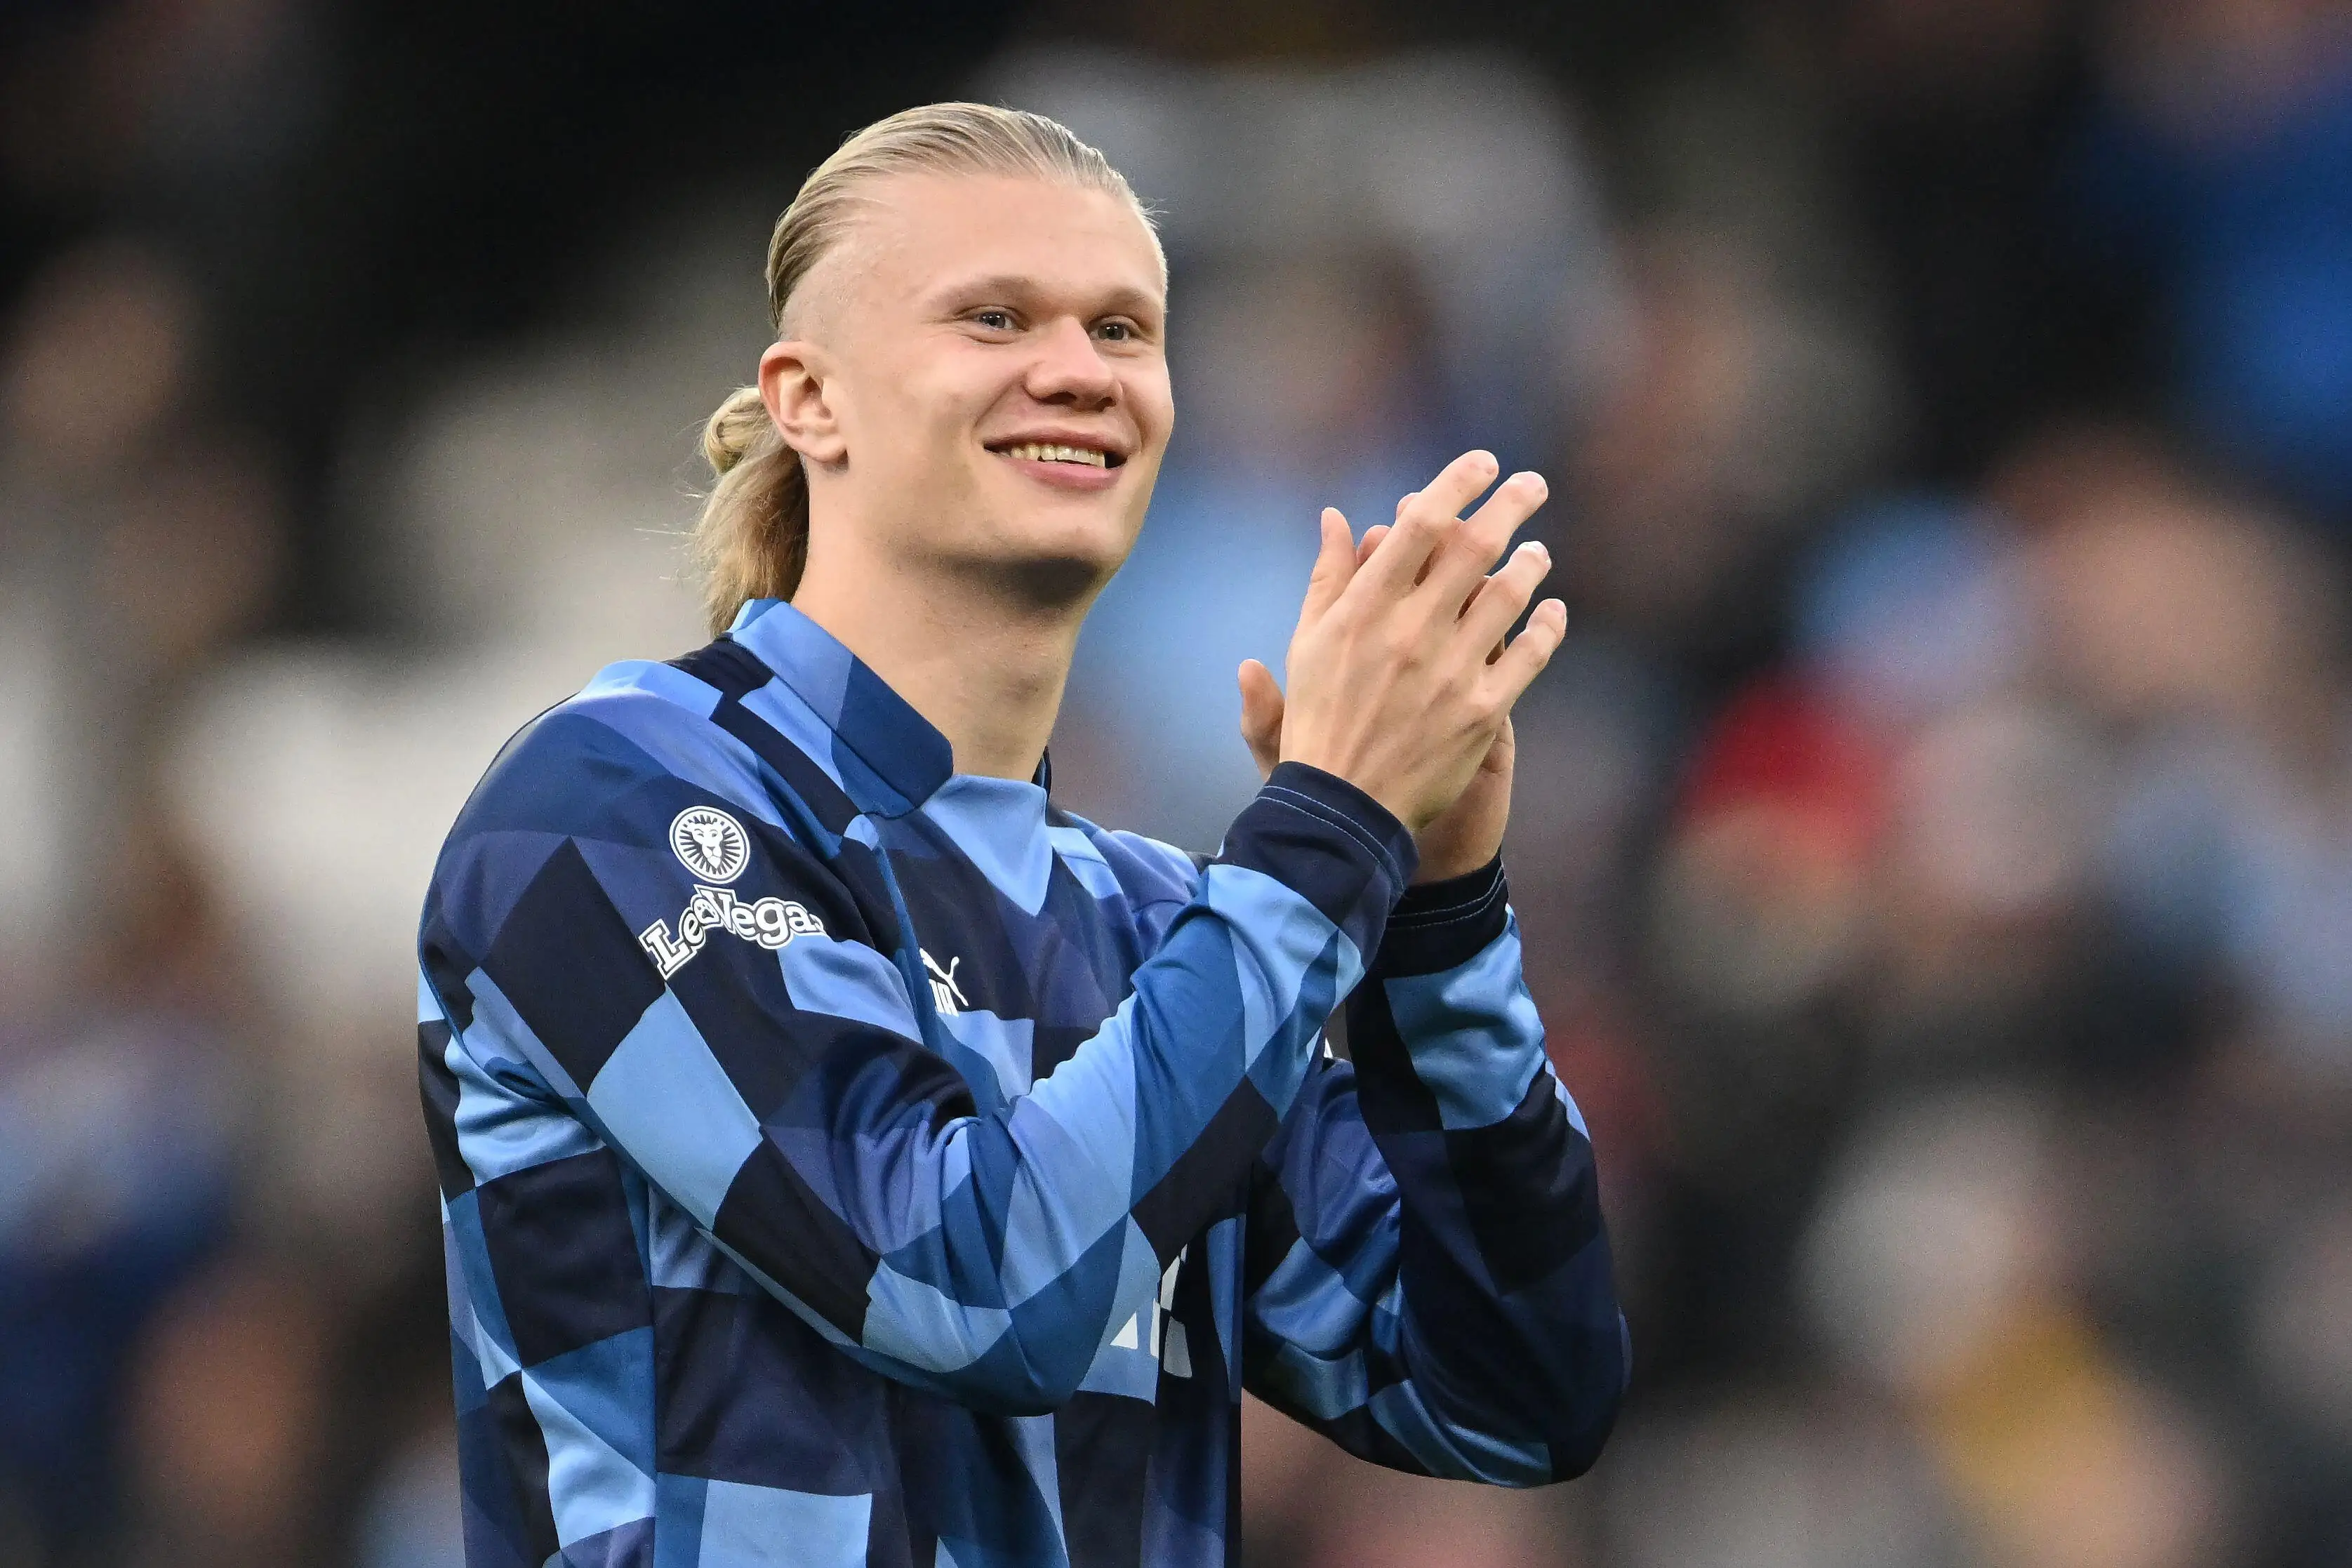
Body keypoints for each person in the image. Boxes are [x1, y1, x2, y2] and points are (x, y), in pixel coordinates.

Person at [417, 102, 1626, 1568]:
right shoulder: (611, 804)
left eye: (1123, 330)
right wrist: (1330, 835)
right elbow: (962, 1284)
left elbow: (1515, 1393)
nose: (1077, 370)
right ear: (810, 400)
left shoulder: (1155, 925)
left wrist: (1434, 917)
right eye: (994, 317)